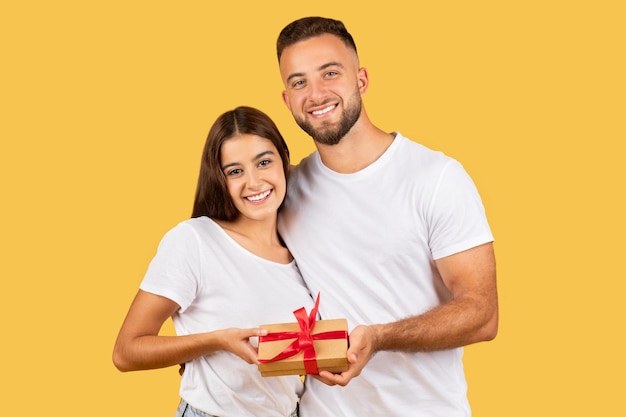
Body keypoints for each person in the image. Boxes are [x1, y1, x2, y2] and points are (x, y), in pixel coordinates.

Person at [274, 17, 499, 416]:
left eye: (330, 73)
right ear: (286, 99)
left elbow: (482, 314)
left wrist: (380, 337)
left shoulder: (436, 178)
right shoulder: (284, 192)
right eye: (299, 82)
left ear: (361, 79)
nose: (316, 93)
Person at [112, 106, 314, 417]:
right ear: (220, 179)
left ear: (285, 159)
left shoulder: (302, 248)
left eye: (263, 162)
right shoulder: (195, 241)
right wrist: (218, 340)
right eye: (235, 171)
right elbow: (126, 352)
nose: (254, 182)